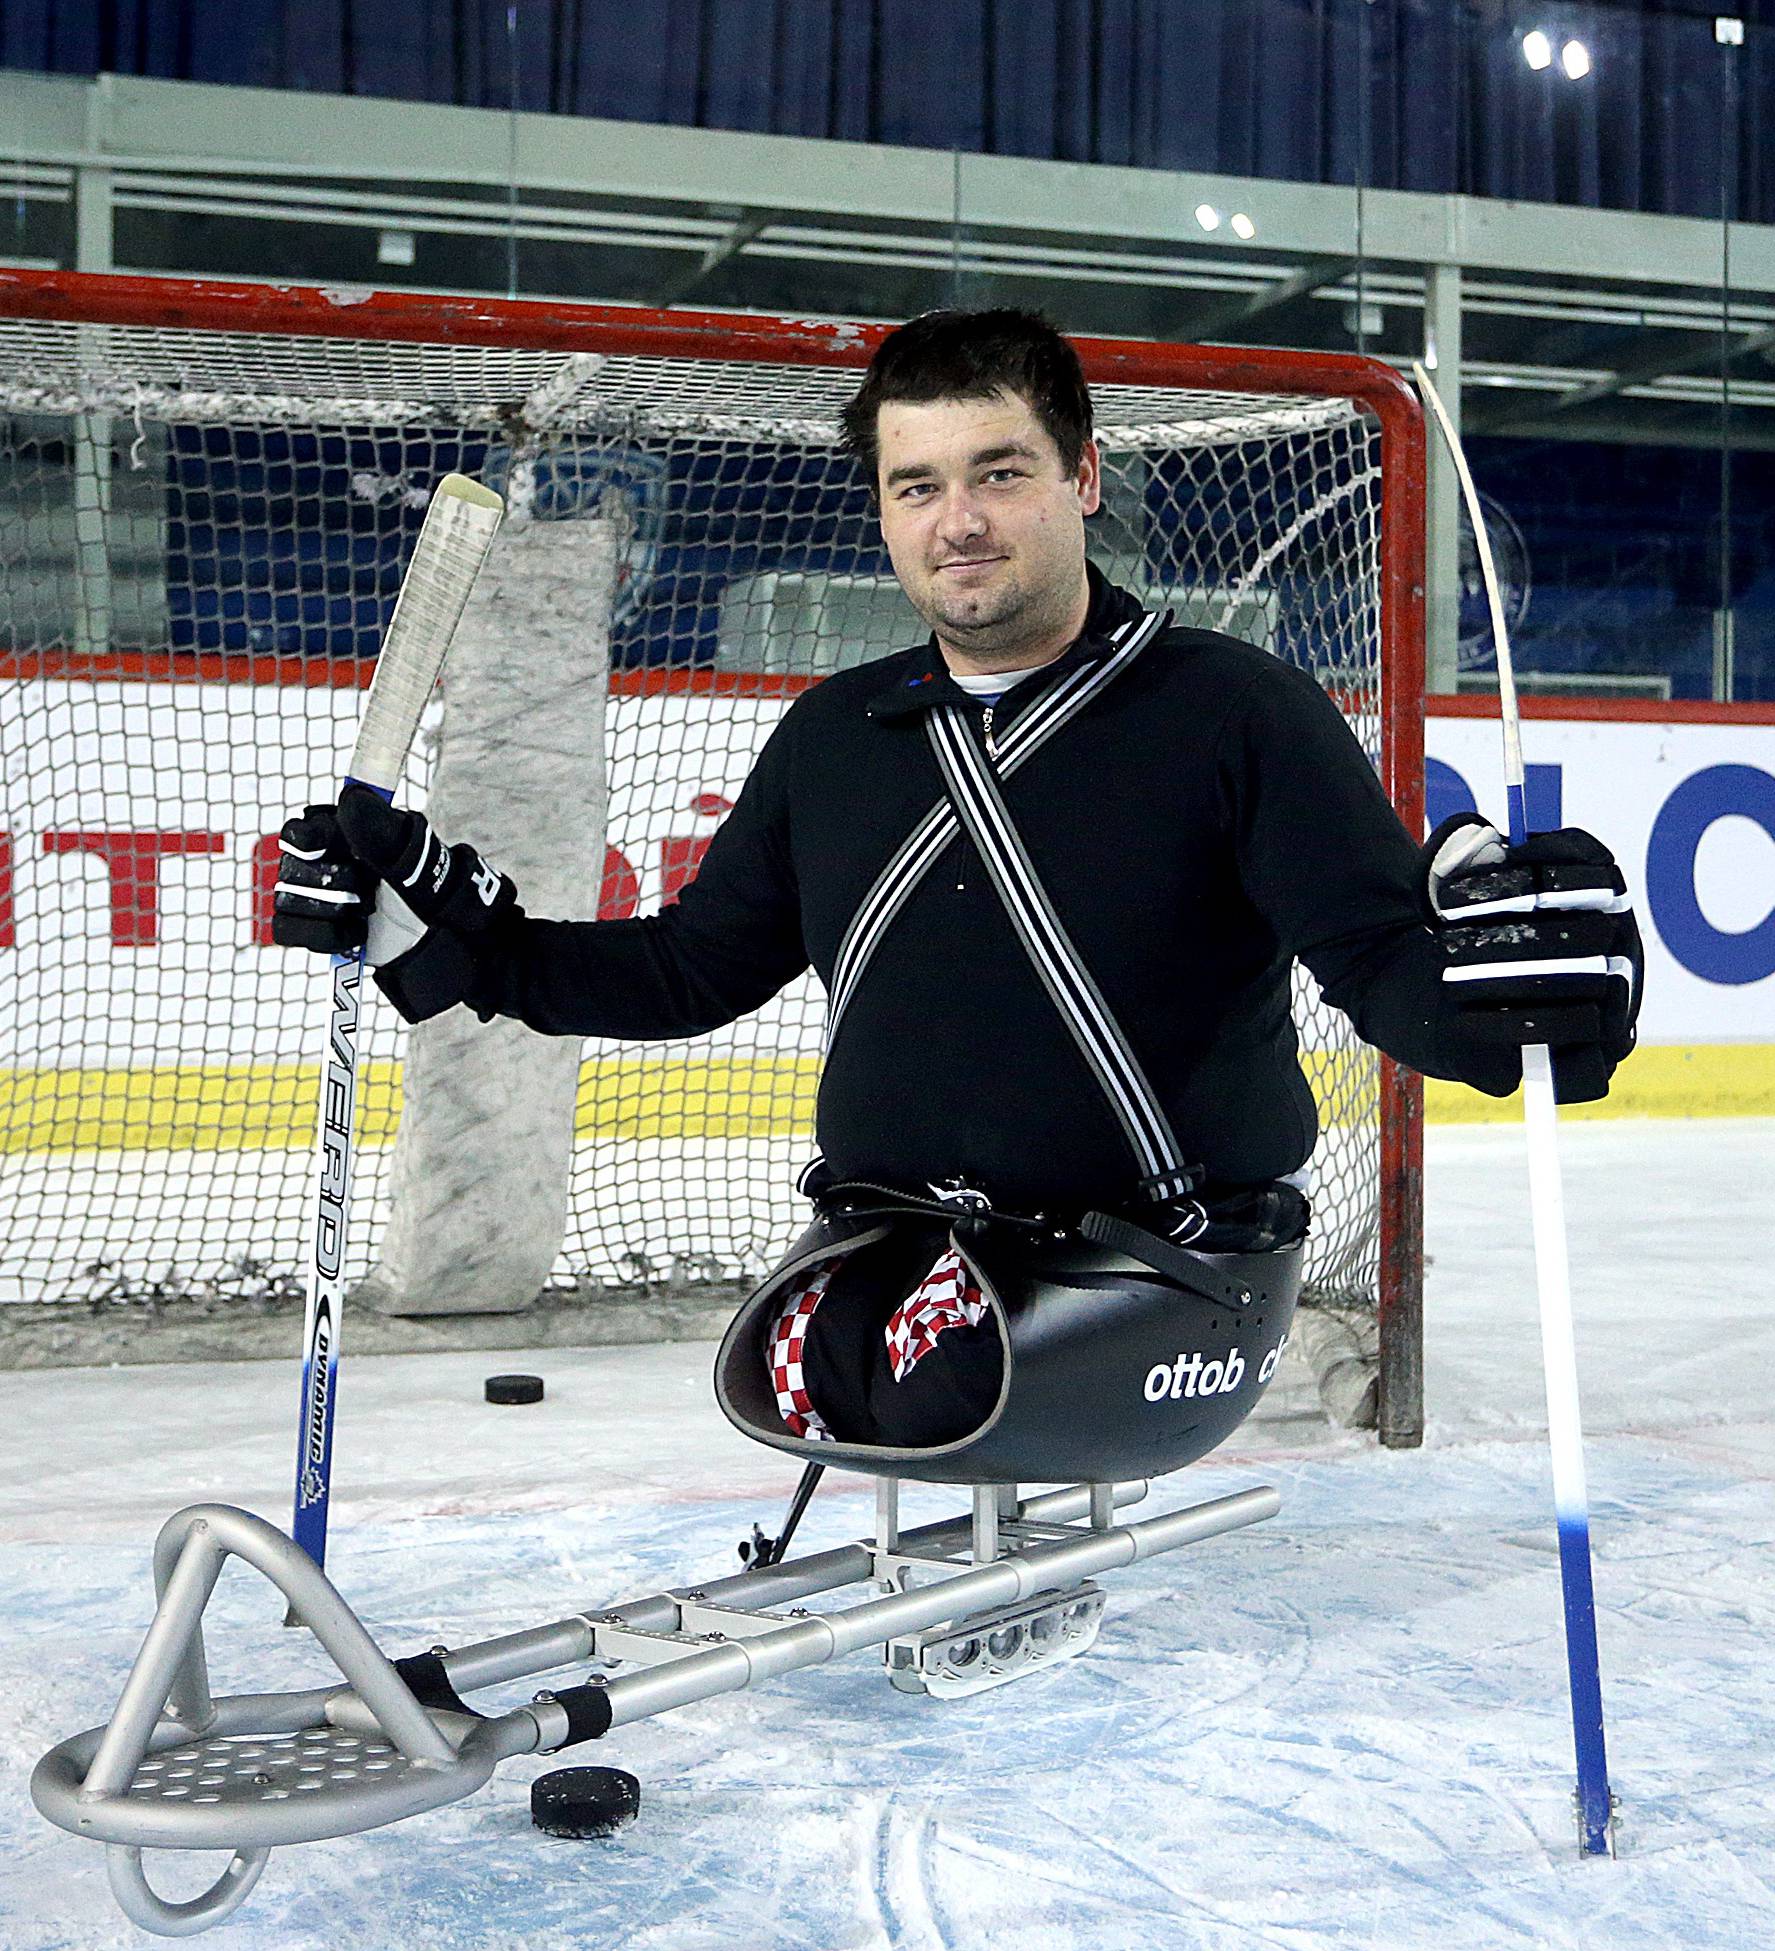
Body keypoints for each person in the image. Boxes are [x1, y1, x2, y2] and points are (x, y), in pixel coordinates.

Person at [274, 308, 1641, 1452]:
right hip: (903, 1244)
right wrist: (449, 933)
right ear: (882, 506)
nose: (959, 522)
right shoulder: (836, 736)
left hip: (1163, 1267)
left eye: (1001, 473)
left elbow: (1391, 975)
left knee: (935, 1386)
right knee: (801, 1376)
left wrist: (1509, 999)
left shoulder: (1239, 714)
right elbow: (692, 974)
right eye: (918, 485)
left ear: (1085, 479)